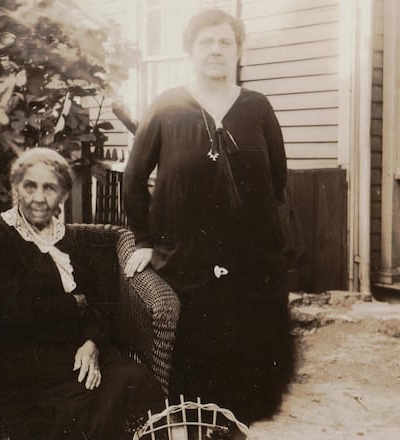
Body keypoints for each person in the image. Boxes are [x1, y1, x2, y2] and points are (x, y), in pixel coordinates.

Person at [122, 9, 295, 425]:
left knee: (248, 376)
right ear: (190, 50)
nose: (216, 50)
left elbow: (277, 178)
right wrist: (143, 240)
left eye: (225, 42)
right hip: (187, 262)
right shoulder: (168, 106)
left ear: (238, 51)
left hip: (250, 263)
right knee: (193, 376)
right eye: (206, 42)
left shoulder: (257, 107)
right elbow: (134, 178)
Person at [0, 148, 164, 440]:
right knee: (78, 411)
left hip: (82, 349)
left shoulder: (74, 240)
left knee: (135, 380)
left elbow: (101, 303)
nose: (38, 197)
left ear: (62, 195)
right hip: (30, 363)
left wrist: (92, 343)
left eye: (49, 188)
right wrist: (74, 304)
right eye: (30, 186)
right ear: (16, 188)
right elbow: (11, 312)